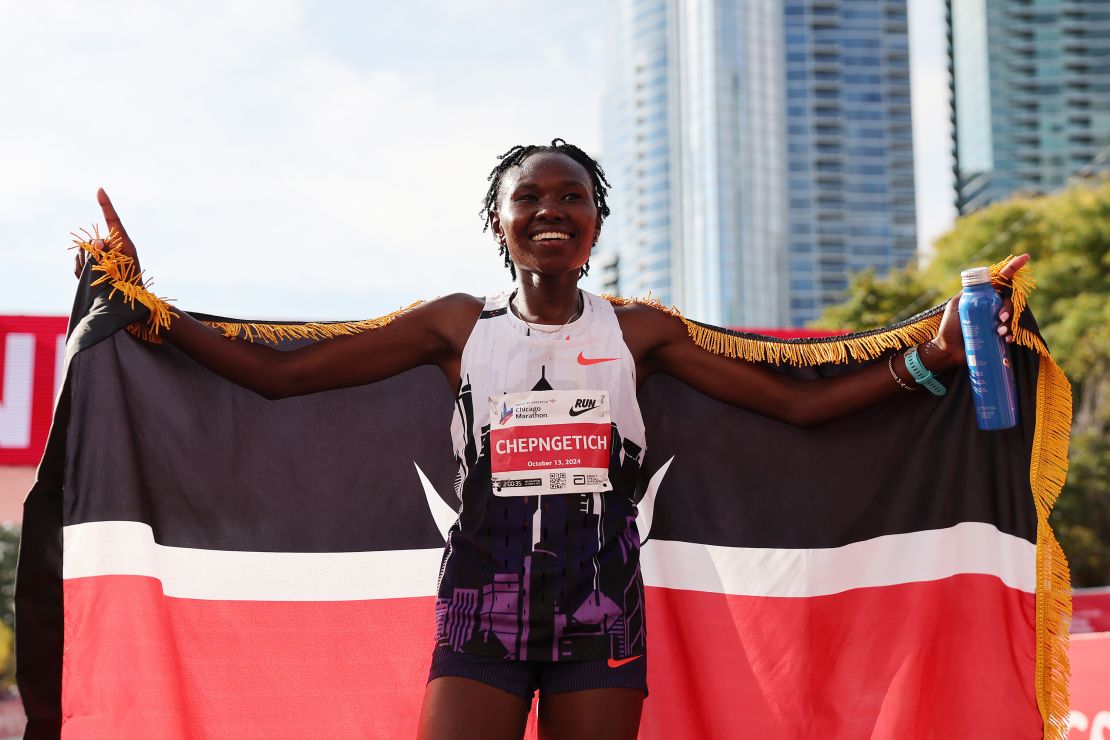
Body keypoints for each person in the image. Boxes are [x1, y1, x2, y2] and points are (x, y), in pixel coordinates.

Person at [76, 139, 1027, 740]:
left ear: (596, 225)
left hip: (599, 611)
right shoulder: (455, 326)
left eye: (571, 198)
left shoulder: (640, 331)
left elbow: (796, 404)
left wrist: (929, 357)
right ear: (499, 223)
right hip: (479, 610)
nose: (550, 210)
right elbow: (284, 375)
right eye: (529, 197)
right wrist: (149, 309)